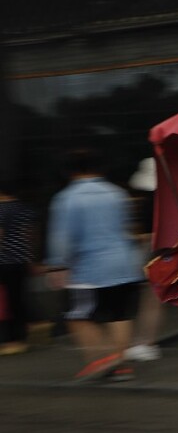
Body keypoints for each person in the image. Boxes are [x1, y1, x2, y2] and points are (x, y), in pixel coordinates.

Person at [44, 149, 145, 382]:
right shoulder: (117, 193)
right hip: (124, 264)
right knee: (119, 315)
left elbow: (62, 236)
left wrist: (57, 266)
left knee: (76, 316)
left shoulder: (67, 198)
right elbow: (128, 228)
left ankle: (102, 360)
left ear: (69, 171)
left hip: (90, 268)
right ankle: (121, 366)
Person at [124, 158, 164, 363]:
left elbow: (148, 234)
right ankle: (145, 343)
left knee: (152, 299)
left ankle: (146, 343)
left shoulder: (150, 202)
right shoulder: (170, 198)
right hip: (173, 249)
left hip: (158, 252)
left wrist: (136, 238)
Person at [0, 181, 36, 356]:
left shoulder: (0, 210)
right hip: (20, 261)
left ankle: (9, 339)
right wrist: (31, 259)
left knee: (4, 301)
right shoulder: (24, 209)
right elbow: (29, 235)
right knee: (18, 299)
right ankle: (21, 337)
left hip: (3, 262)